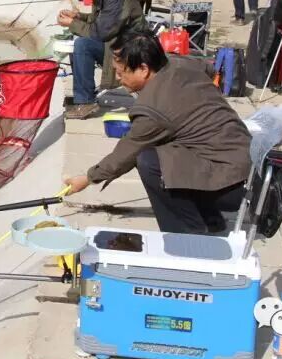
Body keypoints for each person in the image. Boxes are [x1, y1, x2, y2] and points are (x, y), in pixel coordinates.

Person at [62, 30, 252, 234]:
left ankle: (187, 235)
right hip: (247, 166)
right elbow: (208, 68)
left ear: (143, 69)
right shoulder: (179, 63)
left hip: (230, 187)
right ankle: (211, 221)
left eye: (121, 72)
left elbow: (126, 153)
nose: (118, 79)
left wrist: (87, 178)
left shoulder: (152, 109)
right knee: (170, 147)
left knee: (149, 162)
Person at [57, 0, 145, 119]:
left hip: (129, 49)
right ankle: (83, 96)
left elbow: (101, 32)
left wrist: (72, 24)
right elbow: (100, 21)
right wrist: (78, 16)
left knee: (83, 45)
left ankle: (86, 102)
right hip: (115, 43)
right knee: (78, 45)